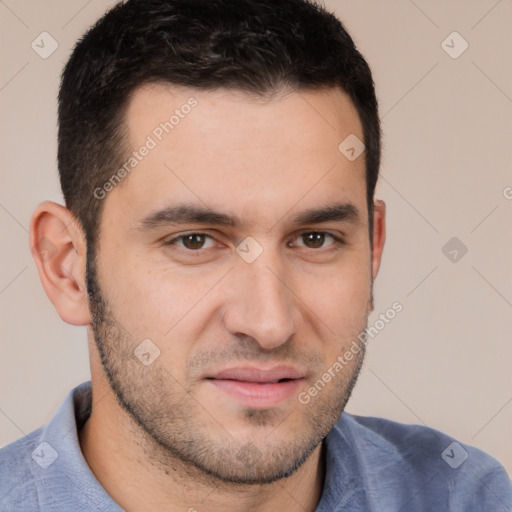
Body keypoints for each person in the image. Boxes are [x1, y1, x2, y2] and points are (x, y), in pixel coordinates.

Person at [1, 0, 510, 510]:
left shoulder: (467, 497)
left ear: (373, 251)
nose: (270, 323)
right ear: (67, 268)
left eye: (315, 239)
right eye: (195, 241)